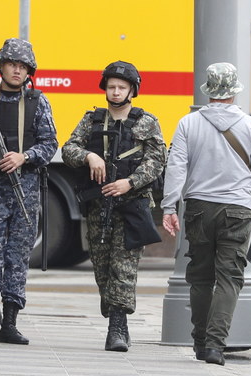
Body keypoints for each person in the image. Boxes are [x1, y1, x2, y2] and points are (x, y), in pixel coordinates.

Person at [161, 62, 251, 366]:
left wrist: (169, 207)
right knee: (230, 278)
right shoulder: (250, 126)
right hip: (237, 210)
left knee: (200, 277)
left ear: (208, 90)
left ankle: (199, 341)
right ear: (234, 91)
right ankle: (215, 346)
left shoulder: (188, 124)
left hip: (198, 209)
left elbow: (177, 167)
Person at [62, 61, 166, 352]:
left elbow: (157, 160)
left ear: (132, 90)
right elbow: (68, 149)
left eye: (121, 87)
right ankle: (112, 311)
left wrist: (130, 182)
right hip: (98, 205)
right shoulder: (92, 120)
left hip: (132, 205)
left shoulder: (147, 122)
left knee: (124, 265)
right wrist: (89, 157)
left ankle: (118, 327)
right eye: (111, 87)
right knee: (102, 267)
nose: (116, 92)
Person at [0, 38, 57, 345]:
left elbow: (49, 143)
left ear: (29, 71)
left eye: (22, 66)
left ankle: (10, 322)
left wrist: (23, 156)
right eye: (12, 64)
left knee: (17, 256)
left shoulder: (37, 102)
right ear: (0, 67)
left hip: (25, 189)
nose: (17, 70)